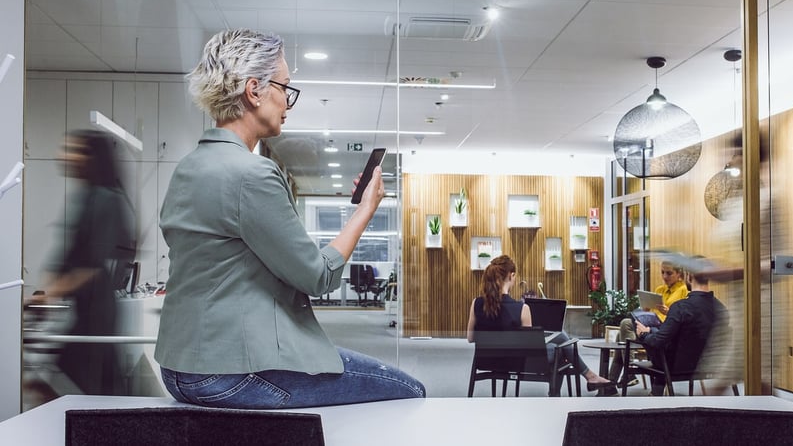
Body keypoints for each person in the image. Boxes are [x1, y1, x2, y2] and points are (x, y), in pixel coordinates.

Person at [155, 28, 425, 409]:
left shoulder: (188, 168)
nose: (288, 102)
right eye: (285, 88)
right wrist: (365, 210)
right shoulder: (254, 174)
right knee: (411, 391)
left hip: (178, 370)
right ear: (254, 90)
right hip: (233, 373)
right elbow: (318, 276)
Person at [30, 130, 135, 397]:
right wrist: (47, 292)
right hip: (83, 311)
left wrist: (50, 294)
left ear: (91, 158)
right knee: (64, 385)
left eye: (73, 150)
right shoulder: (87, 197)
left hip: (95, 314)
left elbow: (92, 264)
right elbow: (69, 256)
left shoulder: (106, 199)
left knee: (80, 388)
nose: (64, 156)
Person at [466, 255, 614, 393]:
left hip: (487, 360)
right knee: (560, 349)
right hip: (517, 362)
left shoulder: (476, 303)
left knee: (561, 336)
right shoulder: (522, 308)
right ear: (511, 276)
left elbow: (471, 338)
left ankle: (590, 377)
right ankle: (572, 385)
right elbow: (530, 348)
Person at [633, 262, 729, 395]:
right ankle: (655, 393)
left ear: (688, 276)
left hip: (676, 366)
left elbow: (658, 341)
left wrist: (644, 334)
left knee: (653, 340)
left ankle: (653, 394)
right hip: (711, 364)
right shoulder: (722, 309)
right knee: (657, 335)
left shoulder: (680, 307)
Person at [607, 261, 689, 387]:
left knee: (625, 326)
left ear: (679, 274)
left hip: (663, 331)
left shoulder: (683, 291)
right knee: (622, 338)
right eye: (662, 272)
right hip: (651, 325)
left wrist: (668, 312)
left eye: (669, 273)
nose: (665, 276)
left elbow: (682, 318)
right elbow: (653, 313)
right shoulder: (659, 289)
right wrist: (645, 310)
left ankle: (623, 376)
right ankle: (615, 383)